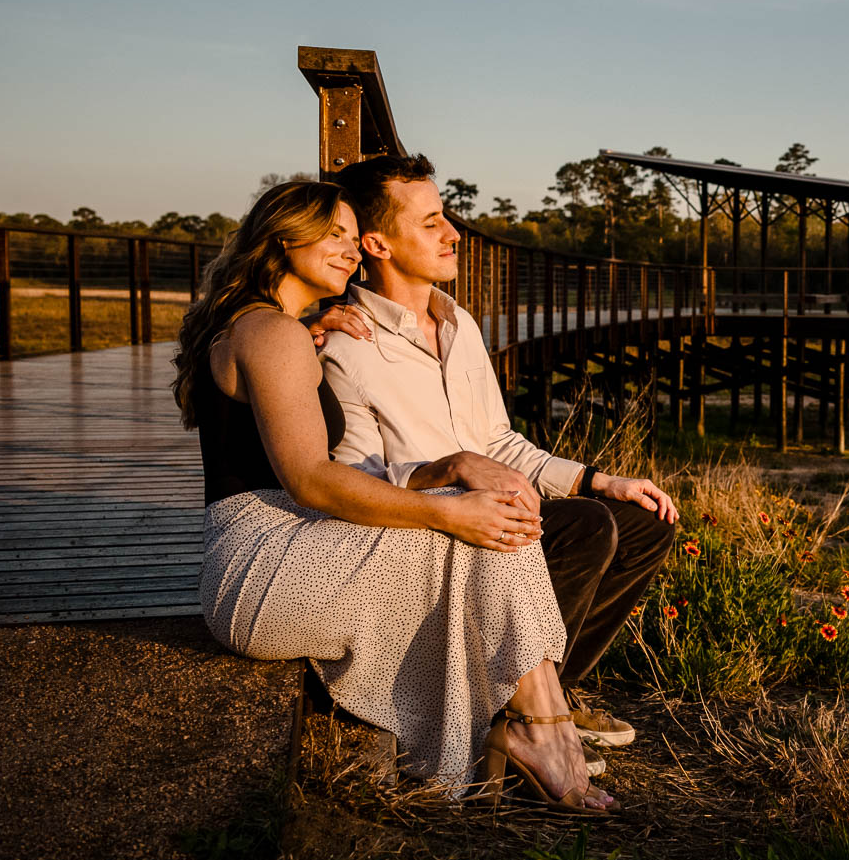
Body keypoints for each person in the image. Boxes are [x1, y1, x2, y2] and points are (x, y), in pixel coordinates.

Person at [172, 180, 615, 813]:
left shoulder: (277, 327)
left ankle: (539, 724)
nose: (351, 253)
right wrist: (446, 507)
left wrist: (311, 327)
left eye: (356, 240)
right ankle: (540, 729)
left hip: (278, 546)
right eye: (334, 236)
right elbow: (311, 479)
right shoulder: (271, 334)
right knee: (479, 524)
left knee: (487, 524)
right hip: (259, 564)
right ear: (283, 237)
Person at [316, 155, 677, 766]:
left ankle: (543, 698)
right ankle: (517, 717)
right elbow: (351, 483)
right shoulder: (345, 344)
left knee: (642, 519)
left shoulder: (458, 324)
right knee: (587, 528)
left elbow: (499, 442)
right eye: (431, 223)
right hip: (427, 538)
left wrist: (598, 478)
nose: (454, 234)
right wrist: (449, 470)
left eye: (446, 218)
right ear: (375, 243)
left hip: (493, 517)